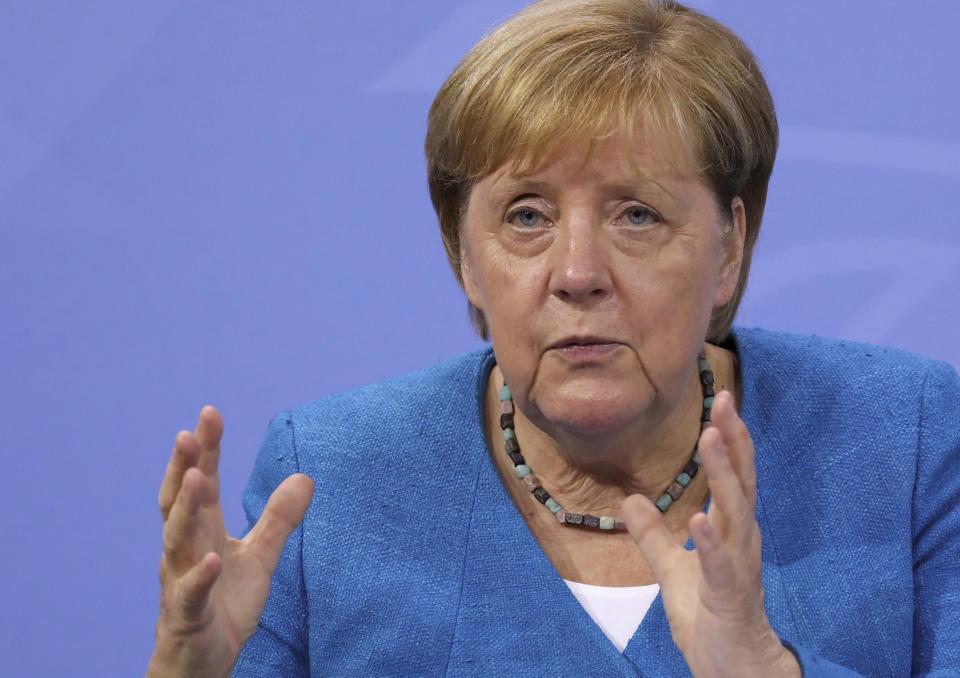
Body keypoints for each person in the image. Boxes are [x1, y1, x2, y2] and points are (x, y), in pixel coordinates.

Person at [146, 0, 960, 676]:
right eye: (526, 216)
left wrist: (761, 667)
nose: (577, 271)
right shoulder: (329, 481)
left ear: (728, 248)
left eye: (636, 214)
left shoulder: (908, 438)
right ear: (464, 254)